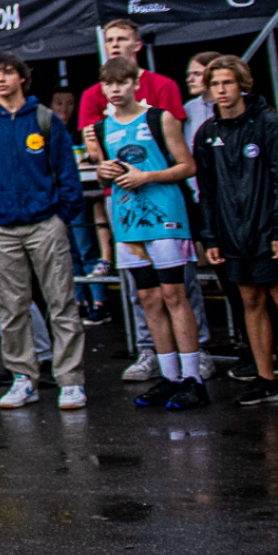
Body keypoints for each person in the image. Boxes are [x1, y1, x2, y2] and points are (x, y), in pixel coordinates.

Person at [0, 51, 89, 411]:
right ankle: (23, 377)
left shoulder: (46, 119)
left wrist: (61, 216)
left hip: (45, 222)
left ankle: (70, 380)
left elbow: (67, 173)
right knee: (12, 307)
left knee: (61, 303)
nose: (1, 79)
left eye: (7, 72)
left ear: (22, 77)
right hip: (0, 227)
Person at [92, 57, 206, 411]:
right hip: (128, 221)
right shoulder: (101, 127)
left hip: (165, 214)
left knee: (175, 294)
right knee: (148, 299)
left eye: (122, 82)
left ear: (135, 84)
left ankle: (193, 377)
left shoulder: (160, 117)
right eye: (109, 84)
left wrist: (148, 177)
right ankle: (169, 376)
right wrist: (103, 171)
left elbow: (187, 165)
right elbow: (103, 173)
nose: (115, 89)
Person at [193, 56, 278, 407]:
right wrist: (210, 236)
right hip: (231, 231)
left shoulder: (268, 123)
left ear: (242, 84)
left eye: (227, 82)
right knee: (250, 300)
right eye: (215, 84)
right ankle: (265, 378)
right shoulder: (207, 133)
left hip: (267, 227)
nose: (221, 90)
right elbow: (207, 190)